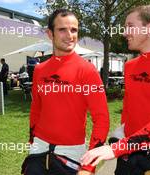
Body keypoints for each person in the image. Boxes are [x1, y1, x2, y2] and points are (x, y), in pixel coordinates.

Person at [81, 5, 150, 175]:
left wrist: (118, 147)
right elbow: (129, 108)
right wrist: (123, 145)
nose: (125, 33)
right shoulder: (130, 66)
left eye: (130, 26)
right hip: (128, 155)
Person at [21, 9, 109, 175]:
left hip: (71, 153)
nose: (69, 35)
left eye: (74, 30)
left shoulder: (88, 71)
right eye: (62, 29)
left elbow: (102, 119)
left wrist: (89, 166)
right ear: (50, 33)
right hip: (39, 149)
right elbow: (36, 109)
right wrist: (32, 140)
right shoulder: (40, 70)